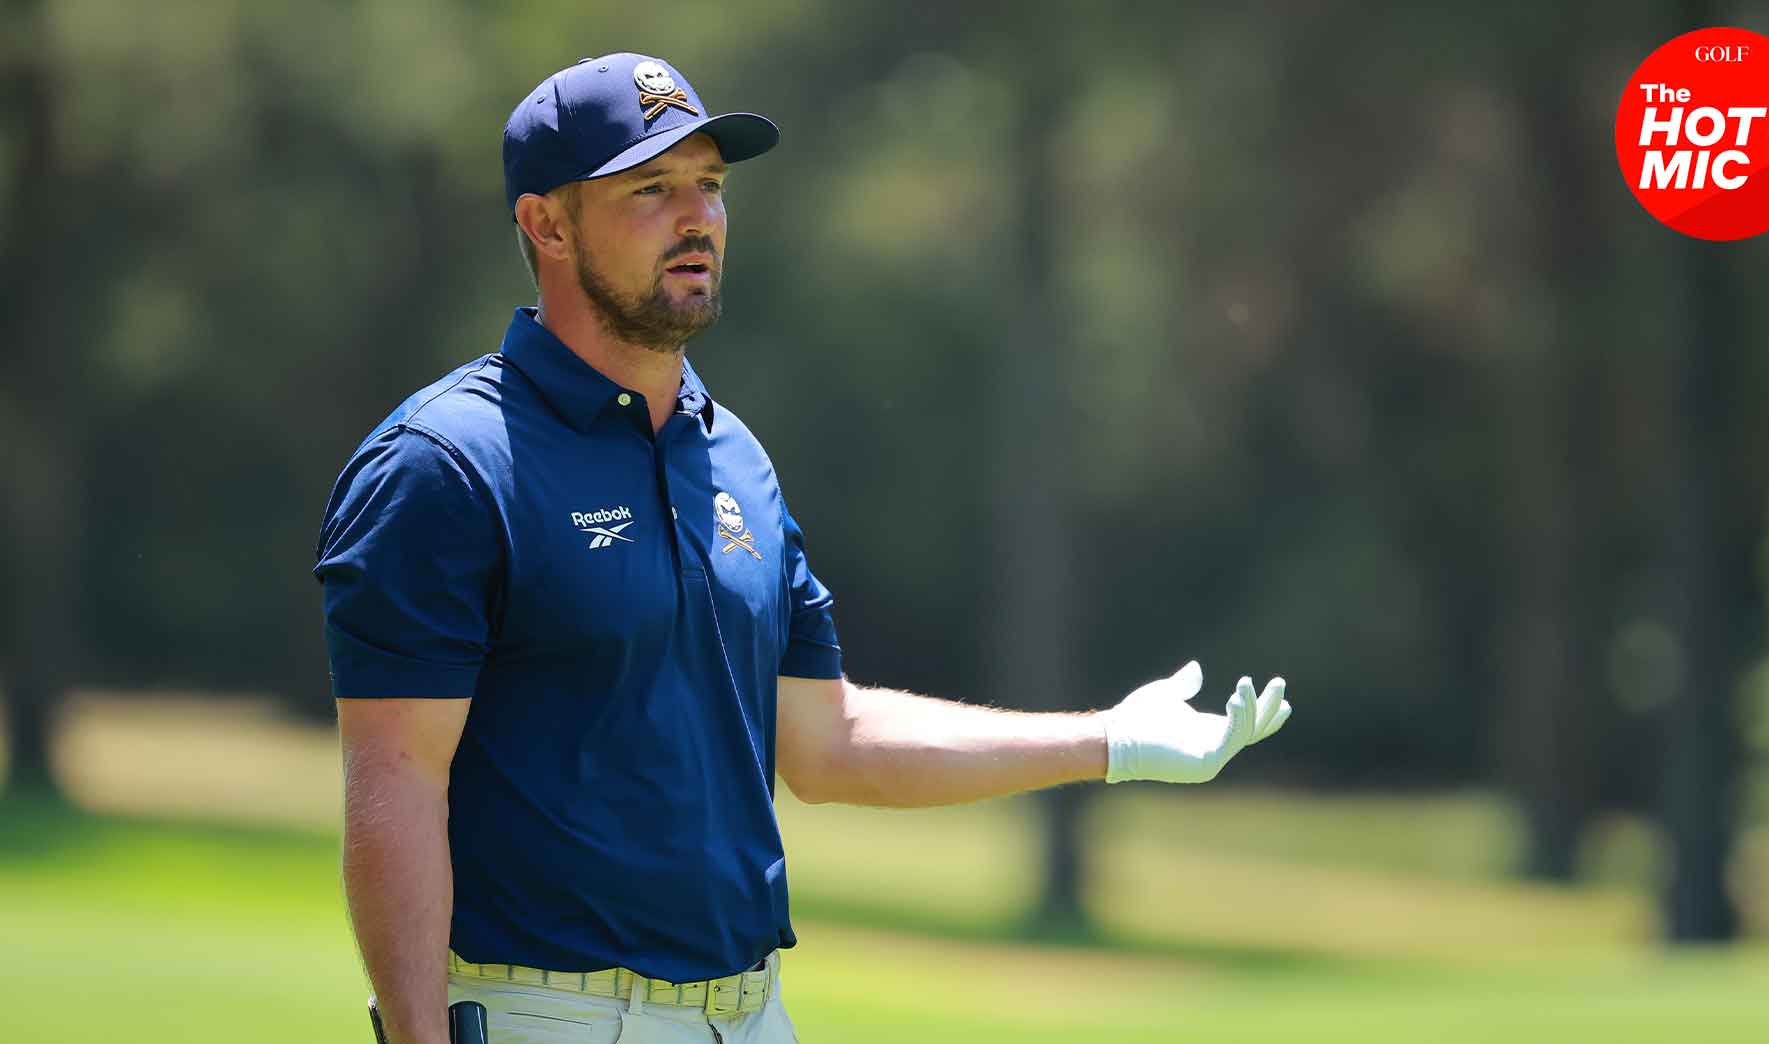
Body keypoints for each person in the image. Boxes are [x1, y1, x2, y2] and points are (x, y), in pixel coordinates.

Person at [313, 51, 1291, 1044]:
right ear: (547, 223)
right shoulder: (447, 462)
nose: (695, 217)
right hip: (550, 1016)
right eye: (651, 189)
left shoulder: (732, 458)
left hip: (750, 1018)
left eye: (709, 186)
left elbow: (829, 742)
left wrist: (1107, 741)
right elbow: (395, 782)